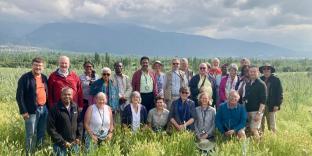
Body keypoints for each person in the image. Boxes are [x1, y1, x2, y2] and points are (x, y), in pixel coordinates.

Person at [16, 57, 48, 154]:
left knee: (41, 133)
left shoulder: (44, 77)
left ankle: (39, 151)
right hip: (31, 111)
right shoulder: (25, 78)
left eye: (40, 66)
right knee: (31, 134)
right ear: (32, 66)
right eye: (36, 65)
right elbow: (19, 96)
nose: (38, 67)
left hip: (44, 109)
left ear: (43, 67)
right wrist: (24, 111)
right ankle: (29, 153)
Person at [48, 87, 82, 156]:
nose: (67, 96)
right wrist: (63, 142)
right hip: (60, 145)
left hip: (74, 143)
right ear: (61, 95)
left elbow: (80, 123)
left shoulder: (75, 106)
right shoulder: (54, 108)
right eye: (65, 94)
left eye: (69, 94)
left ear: (72, 96)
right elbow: (50, 128)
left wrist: (79, 137)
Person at [243, 65, 267, 140]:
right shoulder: (248, 83)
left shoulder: (261, 84)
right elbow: (245, 97)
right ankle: (253, 146)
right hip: (248, 111)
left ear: (258, 73)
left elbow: (263, 101)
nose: (252, 73)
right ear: (249, 73)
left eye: (254, 71)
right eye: (251, 71)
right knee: (250, 130)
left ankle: (259, 147)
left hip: (256, 111)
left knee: (254, 129)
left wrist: (259, 113)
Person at [259, 63, 283, 133]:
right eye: (264, 69)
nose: (266, 70)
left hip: (272, 105)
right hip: (261, 105)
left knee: (272, 125)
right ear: (262, 71)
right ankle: (260, 139)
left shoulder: (276, 80)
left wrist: (277, 104)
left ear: (271, 70)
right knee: (260, 124)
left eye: (268, 69)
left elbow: (280, 93)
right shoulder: (260, 79)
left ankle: (273, 139)